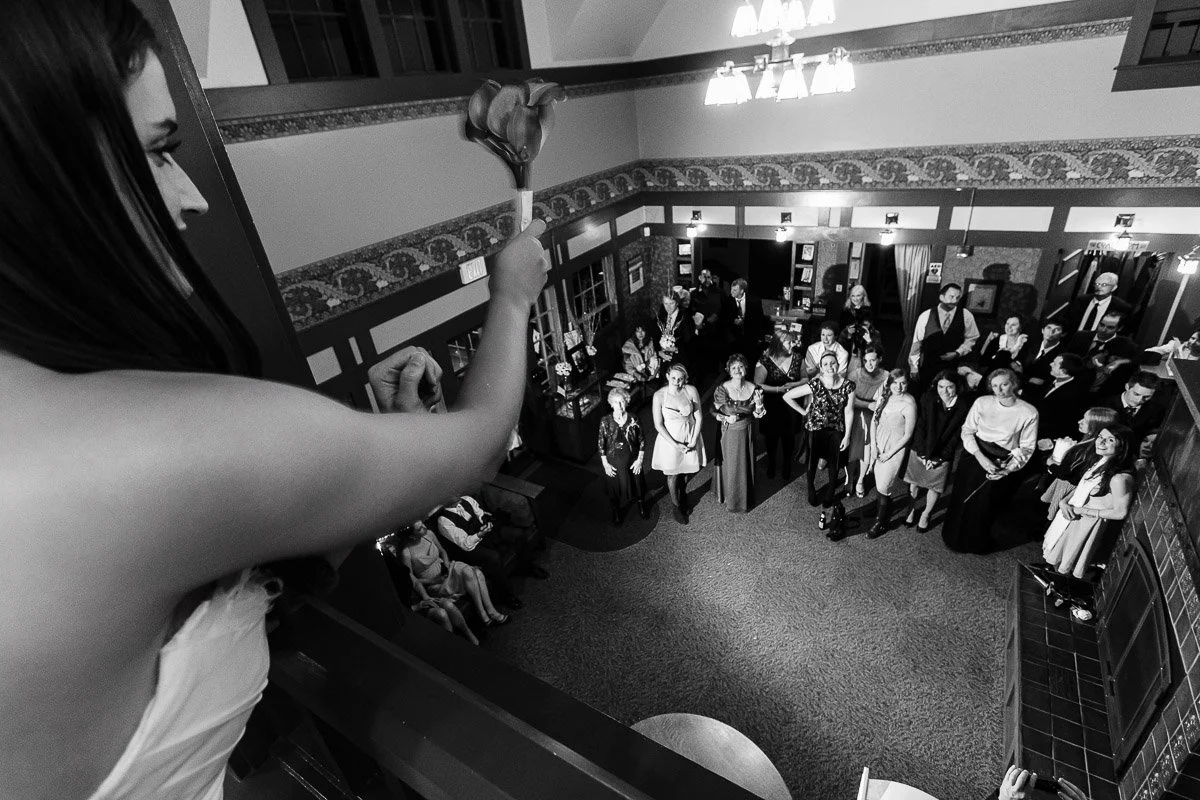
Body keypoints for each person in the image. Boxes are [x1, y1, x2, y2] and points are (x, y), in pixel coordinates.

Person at [0, 3, 548, 797]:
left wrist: (368, 453)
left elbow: (234, 578)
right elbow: (483, 439)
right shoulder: (139, 448)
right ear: (43, 175)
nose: (193, 199)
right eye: (158, 153)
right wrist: (511, 295)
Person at [942, 368, 1039, 553]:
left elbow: (1027, 447)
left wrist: (1008, 469)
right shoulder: (982, 402)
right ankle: (952, 537)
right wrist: (980, 457)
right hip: (973, 456)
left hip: (999, 462)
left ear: (1014, 384)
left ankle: (975, 543)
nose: (999, 390)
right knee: (961, 498)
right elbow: (967, 430)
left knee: (984, 505)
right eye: (995, 386)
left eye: (1004, 384)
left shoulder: (1029, 412)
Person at [1041, 424, 1134, 579]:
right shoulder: (1099, 461)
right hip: (1072, 515)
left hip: (1086, 522)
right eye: (1100, 437)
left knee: (1070, 561)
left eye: (1109, 440)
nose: (1101, 442)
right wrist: (1064, 501)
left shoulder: (1120, 478)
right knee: (1056, 553)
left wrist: (1081, 511)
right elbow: (1081, 488)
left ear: (1122, 446)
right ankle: (1052, 578)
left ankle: (1062, 587)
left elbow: (1120, 512)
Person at [431, 493, 547, 609]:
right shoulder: (444, 521)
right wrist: (479, 534)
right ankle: (504, 595)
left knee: (518, 535)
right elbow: (466, 544)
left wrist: (486, 522)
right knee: (493, 557)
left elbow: (480, 514)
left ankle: (527, 566)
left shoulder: (466, 499)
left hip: (486, 533)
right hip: (470, 547)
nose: (455, 491)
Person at [784, 352, 856, 538]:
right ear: (821, 367)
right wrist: (803, 412)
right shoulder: (815, 384)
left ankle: (830, 492)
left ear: (837, 364)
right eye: (825, 364)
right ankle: (811, 487)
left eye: (832, 363)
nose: (829, 366)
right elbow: (788, 396)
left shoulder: (848, 385)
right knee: (812, 461)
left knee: (835, 463)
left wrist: (847, 436)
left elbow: (849, 412)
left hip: (836, 429)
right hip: (815, 428)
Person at [400, 521, 511, 626]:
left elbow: (442, 551)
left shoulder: (429, 534)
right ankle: (487, 614)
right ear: (412, 536)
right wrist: (433, 581)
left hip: (447, 568)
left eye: (423, 524)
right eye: (420, 529)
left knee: (473, 572)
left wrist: (447, 565)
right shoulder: (406, 553)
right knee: (476, 573)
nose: (425, 527)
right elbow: (411, 579)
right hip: (435, 582)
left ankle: (487, 612)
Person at [378, 534, 479, 645]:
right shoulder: (386, 576)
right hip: (410, 608)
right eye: (391, 552)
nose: (394, 554)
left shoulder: (401, 569)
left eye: (394, 551)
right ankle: (451, 645)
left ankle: (468, 634)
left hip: (419, 598)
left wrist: (426, 597)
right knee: (441, 614)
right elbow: (395, 604)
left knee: (447, 605)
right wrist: (416, 606)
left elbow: (416, 583)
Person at [903, 370, 971, 532]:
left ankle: (926, 514)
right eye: (941, 386)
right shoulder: (928, 398)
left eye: (949, 387)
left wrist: (940, 457)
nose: (945, 391)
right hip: (921, 449)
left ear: (957, 387)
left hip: (943, 453)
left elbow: (957, 436)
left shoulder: (964, 406)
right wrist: (923, 454)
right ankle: (911, 509)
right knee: (914, 483)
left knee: (935, 487)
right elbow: (921, 427)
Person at [651, 363, 707, 524]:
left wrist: (694, 439)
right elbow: (658, 424)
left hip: (689, 435)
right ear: (667, 377)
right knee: (673, 474)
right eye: (674, 378)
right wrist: (675, 444)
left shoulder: (691, 391)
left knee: (686, 469)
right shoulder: (659, 396)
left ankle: (683, 495)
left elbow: (699, 417)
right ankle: (676, 506)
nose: (677, 382)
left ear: (685, 379)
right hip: (670, 439)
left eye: (681, 379)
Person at [867, 369, 917, 539]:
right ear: (890, 383)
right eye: (895, 383)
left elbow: (908, 435)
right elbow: (874, 423)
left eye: (903, 382)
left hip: (894, 448)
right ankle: (881, 506)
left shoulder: (909, 404)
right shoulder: (883, 397)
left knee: (884, 485)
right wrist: (874, 446)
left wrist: (889, 454)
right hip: (879, 442)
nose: (899, 386)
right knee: (878, 480)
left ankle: (881, 523)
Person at [712, 354, 766, 512]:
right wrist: (726, 416)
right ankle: (731, 497)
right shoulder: (722, 389)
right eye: (734, 367)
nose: (737, 370)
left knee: (746, 463)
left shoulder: (755, 388)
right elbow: (714, 409)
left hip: (747, 430)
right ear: (729, 370)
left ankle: (744, 497)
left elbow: (758, 413)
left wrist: (759, 404)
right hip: (729, 432)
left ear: (746, 369)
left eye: (740, 367)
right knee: (732, 464)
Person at [909, 283, 980, 391]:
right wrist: (914, 367)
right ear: (941, 297)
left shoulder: (966, 315)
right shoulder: (926, 315)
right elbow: (917, 343)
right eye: (951, 297)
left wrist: (957, 353)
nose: (954, 301)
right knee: (925, 394)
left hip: (951, 366)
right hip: (927, 365)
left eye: (957, 297)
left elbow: (972, 338)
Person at [754, 331, 805, 480]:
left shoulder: (797, 358)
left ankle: (787, 464)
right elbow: (758, 384)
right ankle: (771, 462)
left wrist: (794, 384)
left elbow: (805, 379)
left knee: (789, 437)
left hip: (791, 404)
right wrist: (778, 389)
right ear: (778, 344)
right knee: (772, 437)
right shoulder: (765, 360)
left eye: (792, 341)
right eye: (789, 342)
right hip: (772, 404)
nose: (792, 345)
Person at [598, 387, 648, 524]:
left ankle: (641, 505)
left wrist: (639, 460)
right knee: (614, 488)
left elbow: (642, 440)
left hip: (633, 460)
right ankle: (616, 511)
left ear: (626, 402)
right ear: (611, 404)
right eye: (615, 402)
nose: (619, 406)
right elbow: (601, 444)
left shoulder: (634, 418)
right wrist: (606, 465)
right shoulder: (605, 421)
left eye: (621, 402)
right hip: (613, 461)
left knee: (638, 484)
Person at [846, 344, 889, 497]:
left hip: (874, 417)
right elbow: (848, 398)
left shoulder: (886, 376)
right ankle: (850, 478)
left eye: (872, 360)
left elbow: (885, 400)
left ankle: (860, 480)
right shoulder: (854, 374)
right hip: (854, 412)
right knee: (851, 448)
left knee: (867, 450)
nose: (869, 364)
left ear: (880, 359)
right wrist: (867, 404)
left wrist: (876, 406)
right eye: (866, 360)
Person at [1066, 311, 1138, 396]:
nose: (1103, 330)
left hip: (1096, 393)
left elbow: (1136, 360)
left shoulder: (1125, 345)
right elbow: (1066, 357)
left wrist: (1122, 361)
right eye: (1102, 325)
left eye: (1110, 327)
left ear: (1119, 328)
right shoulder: (1080, 336)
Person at [1098, 370, 1165, 452]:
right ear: (1127, 387)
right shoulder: (1104, 405)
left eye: (1147, 397)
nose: (1139, 400)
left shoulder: (1156, 410)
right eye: (1136, 394)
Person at [1029, 353, 1090, 441]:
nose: (1051, 364)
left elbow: (1059, 423)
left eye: (1055, 363)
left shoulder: (1073, 395)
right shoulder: (1050, 378)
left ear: (1063, 371)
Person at [1063, 271, 1131, 334]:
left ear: (1114, 288)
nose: (1098, 287)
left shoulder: (1122, 307)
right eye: (1097, 284)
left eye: (1104, 285)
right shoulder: (1080, 300)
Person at [728, 278, 769, 363]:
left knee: (750, 362)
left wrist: (760, 338)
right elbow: (724, 318)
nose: (731, 291)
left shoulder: (755, 301)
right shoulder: (727, 301)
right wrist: (732, 320)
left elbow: (760, 321)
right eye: (731, 289)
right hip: (734, 340)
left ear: (742, 291)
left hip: (750, 340)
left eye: (735, 290)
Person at [1021, 319, 1068, 392]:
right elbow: (1015, 363)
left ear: (1063, 334)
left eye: (1057, 329)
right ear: (1042, 330)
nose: (1051, 332)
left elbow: (1044, 381)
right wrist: (1029, 379)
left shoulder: (1063, 356)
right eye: (1049, 328)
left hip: (1033, 391)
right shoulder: (1031, 343)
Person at [656, 288, 694, 373]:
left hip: (680, 360)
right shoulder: (661, 316)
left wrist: (676, 349)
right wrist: (659, 352)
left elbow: (690, 342)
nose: (668, 307)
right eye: (666, 304)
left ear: (677, 303)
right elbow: (656, 337)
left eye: (671, 303)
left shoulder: (685, 317)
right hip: (664, 361)